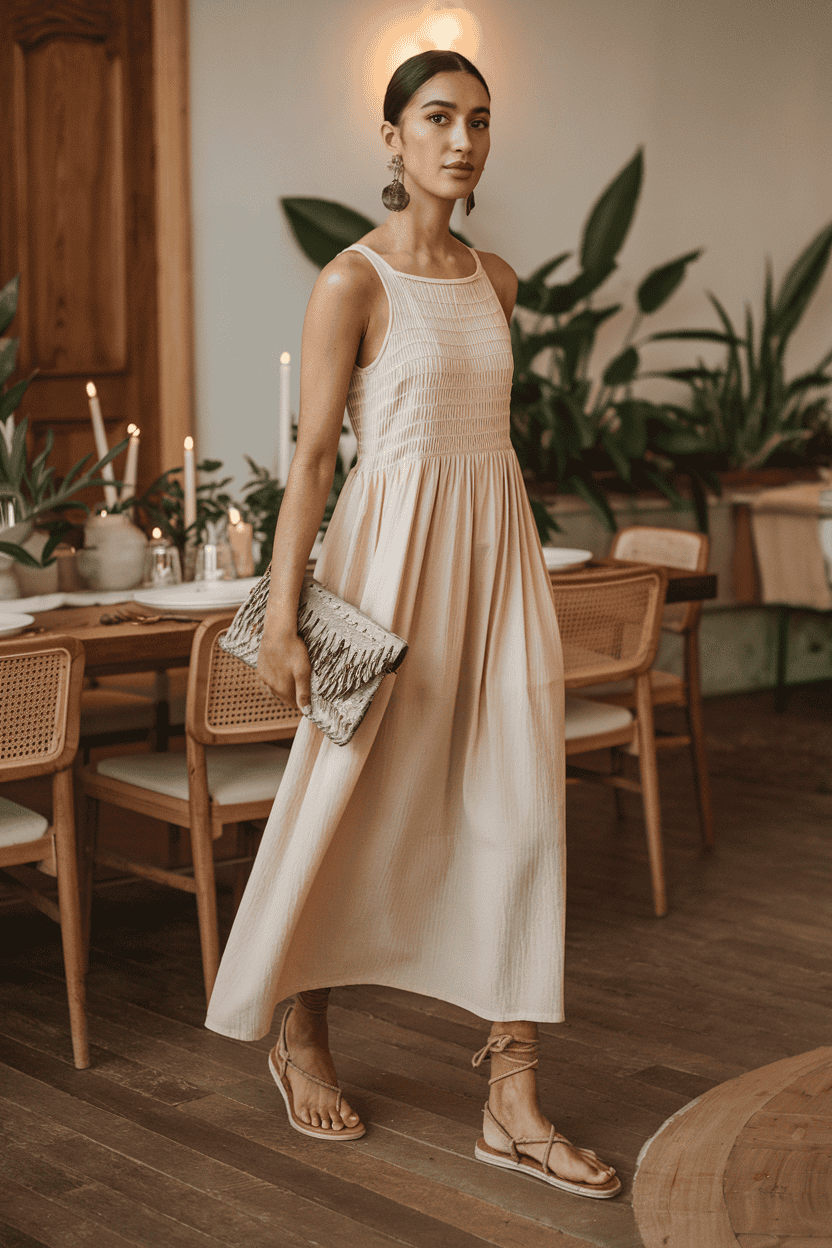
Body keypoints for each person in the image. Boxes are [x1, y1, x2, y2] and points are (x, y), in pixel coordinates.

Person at [206, 49, 619, 1199]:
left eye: (479, 121)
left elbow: (482, 441)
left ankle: (513, 1097)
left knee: (519, 815)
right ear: (391, 138)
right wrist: (283, 616)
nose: (462, 139)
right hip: (384, 574)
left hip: (496, 569)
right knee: (347, 808)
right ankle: (299, 1026)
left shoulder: (497, 279)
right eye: (437, 117)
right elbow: (308, 460)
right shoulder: (351, 282)